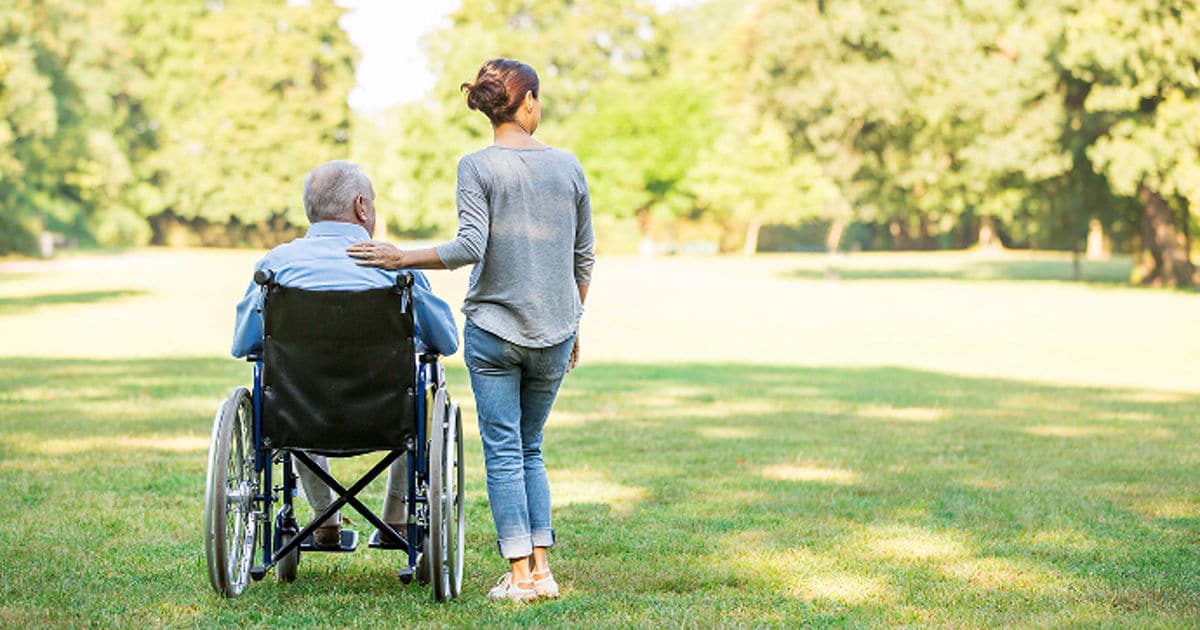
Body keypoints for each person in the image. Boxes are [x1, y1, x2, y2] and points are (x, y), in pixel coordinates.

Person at [348, 58, 594, 603]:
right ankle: (542, 571)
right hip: (555, 332)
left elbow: (468, 247)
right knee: (531, 447)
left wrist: (400, 256)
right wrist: (573, 322)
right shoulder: (569, 166)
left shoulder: (475, 167)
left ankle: (520, 577)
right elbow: (583, 259)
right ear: (527, 101)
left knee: (504, 450)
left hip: (494, 331)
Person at [231, 160, 459, 548]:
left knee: (291, 384)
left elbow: (243, 346)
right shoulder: (394, 268)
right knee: (421, 387)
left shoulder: (276, 266)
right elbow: (447, 342)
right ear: (361, 206)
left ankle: (324, 519)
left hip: (300, 415)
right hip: (387, 415)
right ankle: (397, 519)